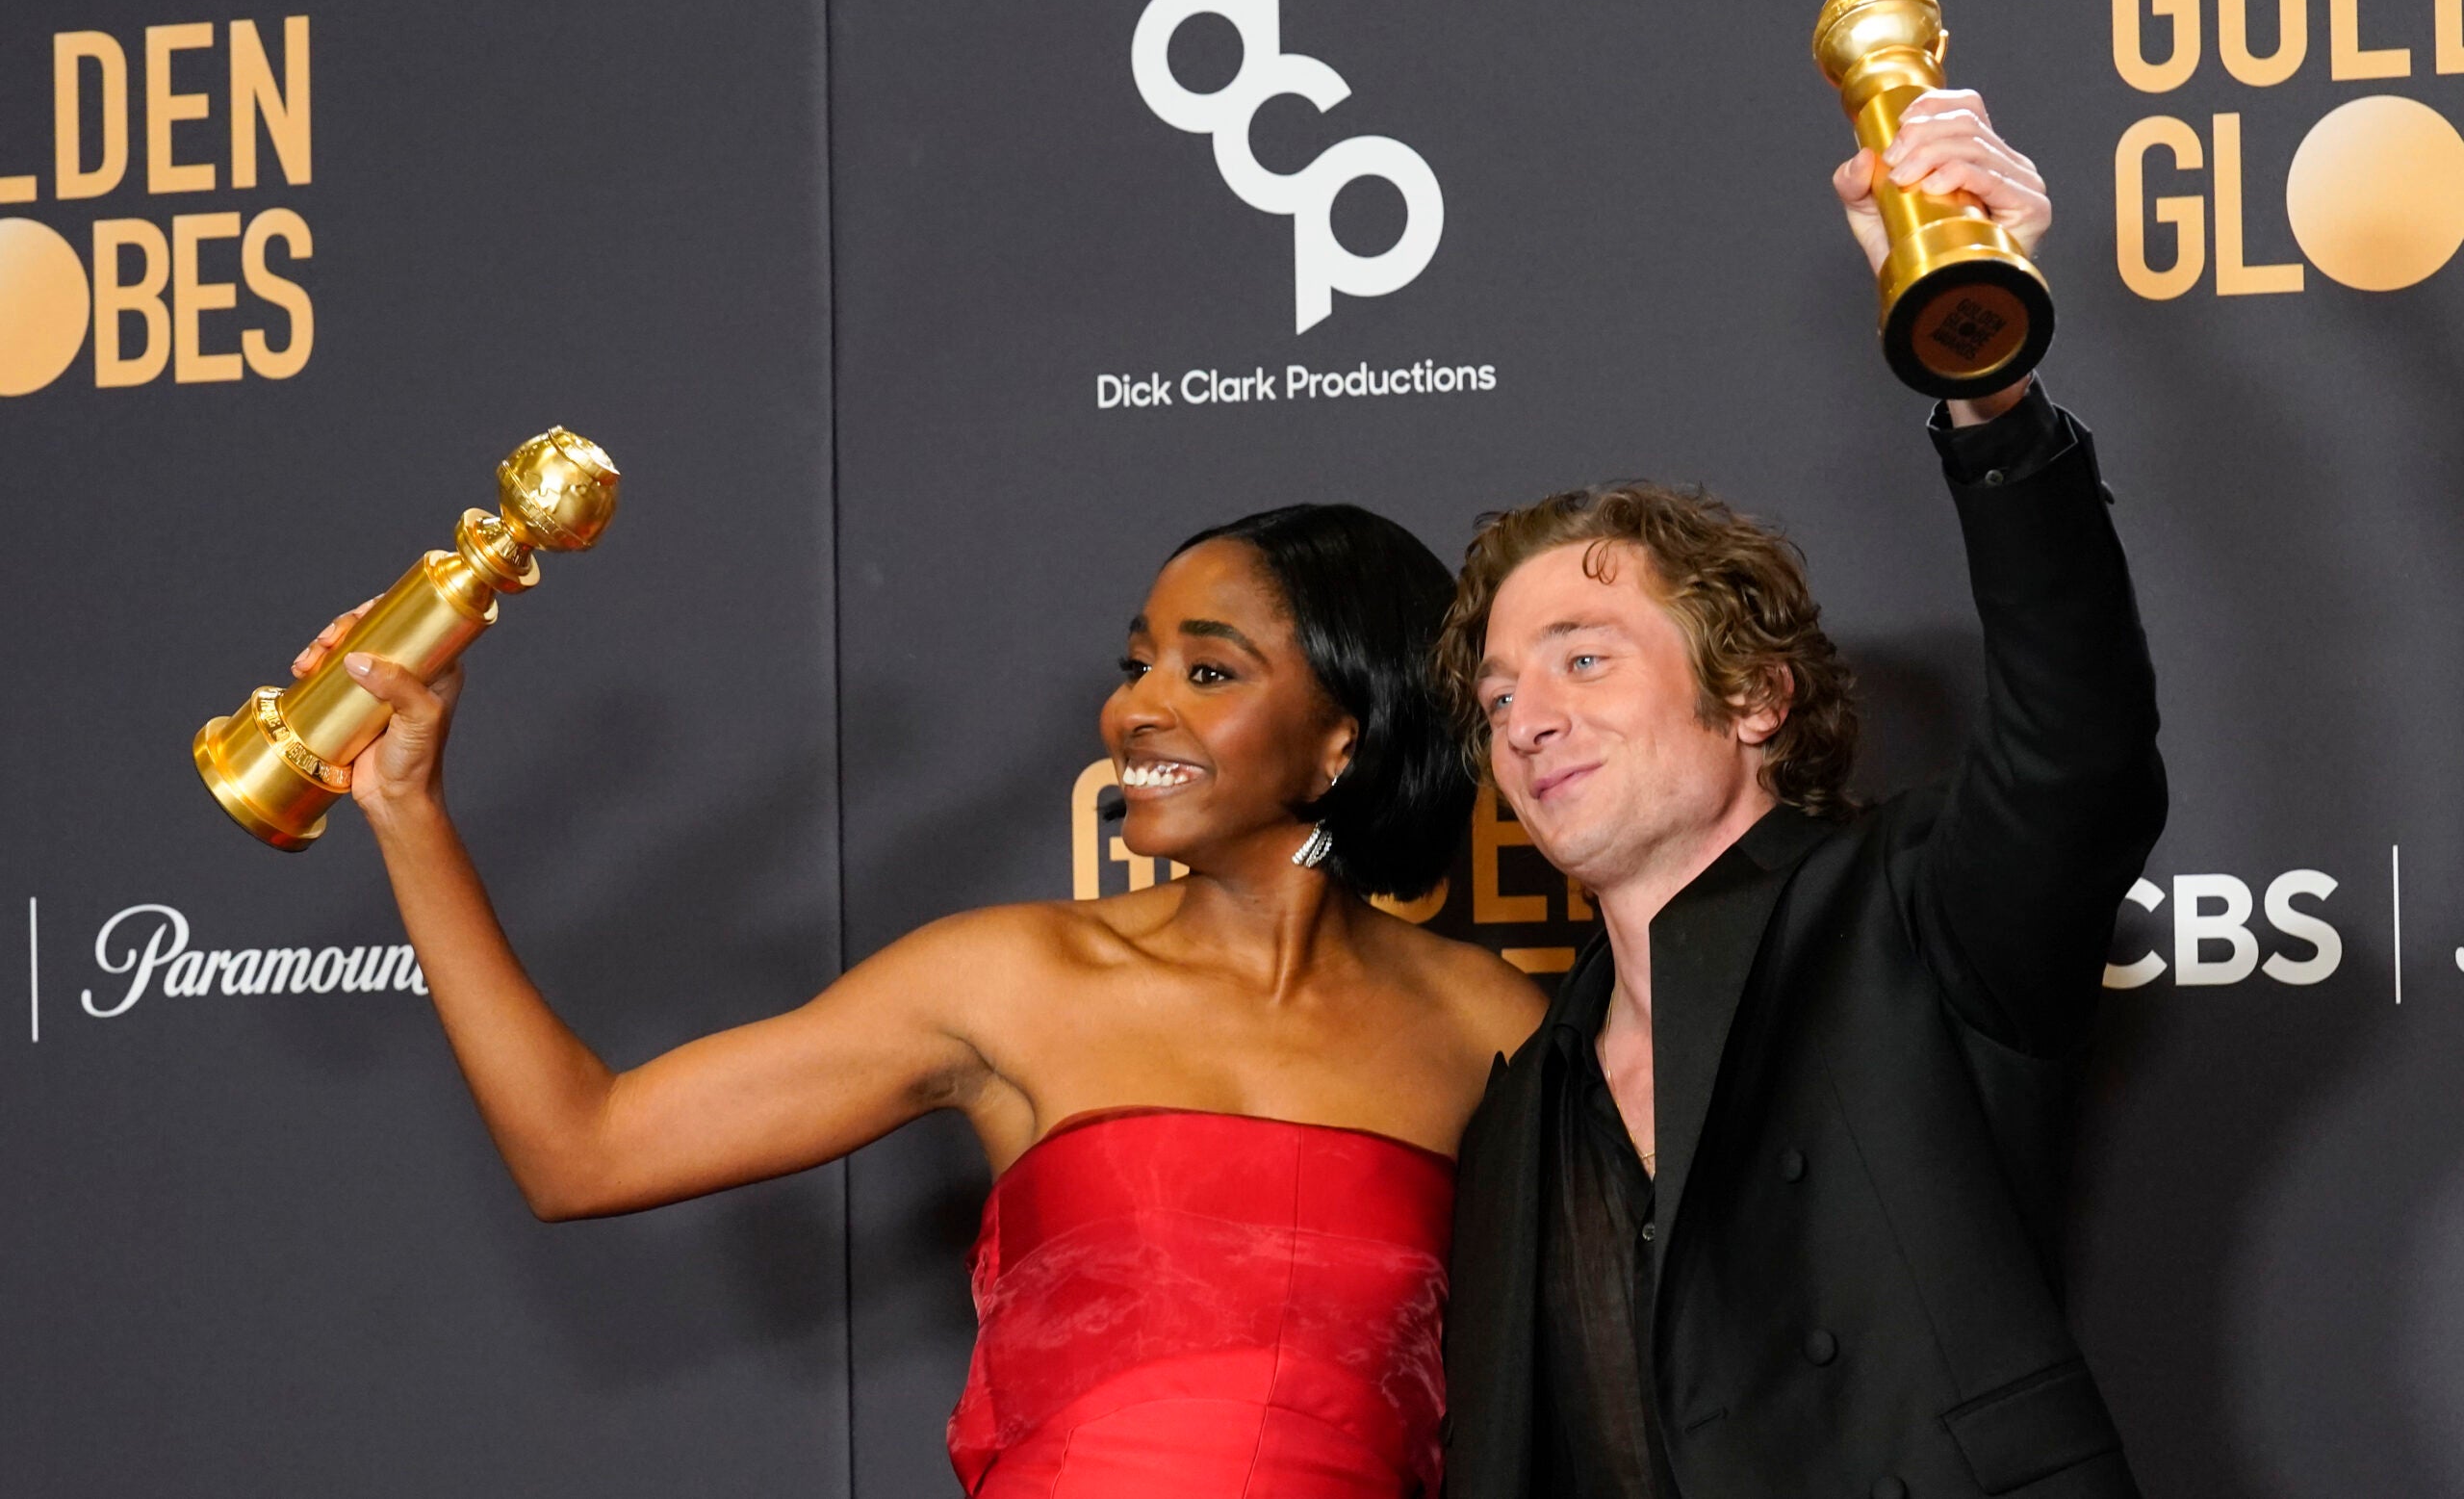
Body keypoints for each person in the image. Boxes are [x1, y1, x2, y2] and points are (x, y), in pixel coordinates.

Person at [299, 503, 1545, 1499]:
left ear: (1343, 736)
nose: (1133, 706)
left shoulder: (1491, 1025)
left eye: (1206, 668)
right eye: (1134, 663)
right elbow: (584, 1147)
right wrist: (408, 812)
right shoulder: (1010, 978)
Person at [1433, 89, 2166, 1499]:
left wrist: (1985, 367)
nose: (1529, 718)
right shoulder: (1529, 1095)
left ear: (1755, 695)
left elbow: (2079, 741)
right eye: (1500, 695)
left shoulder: (1907, 916)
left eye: (1583, 655)